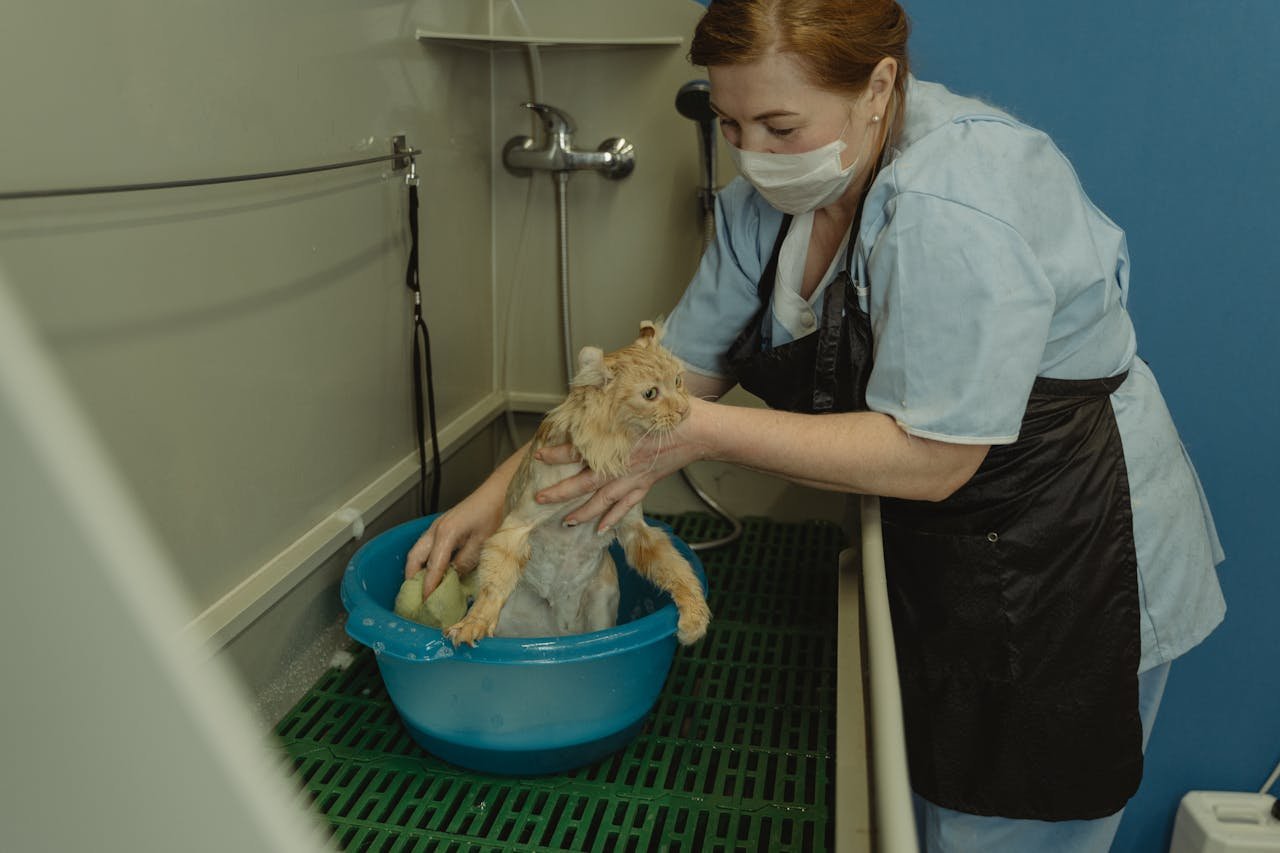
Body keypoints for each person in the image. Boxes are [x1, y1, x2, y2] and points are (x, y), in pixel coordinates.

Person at [405, 0, 1226, 848]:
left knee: (1008, 824)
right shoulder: (763, 209)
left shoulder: (957, 197)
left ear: (878, 86)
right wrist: (496, 498)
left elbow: (935, 456)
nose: (754, 155)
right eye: (730, 124)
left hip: (1068, 553)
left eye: (779, 124)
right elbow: (656, 384)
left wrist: (702, 433)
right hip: (944, 550)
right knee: (935, 820)